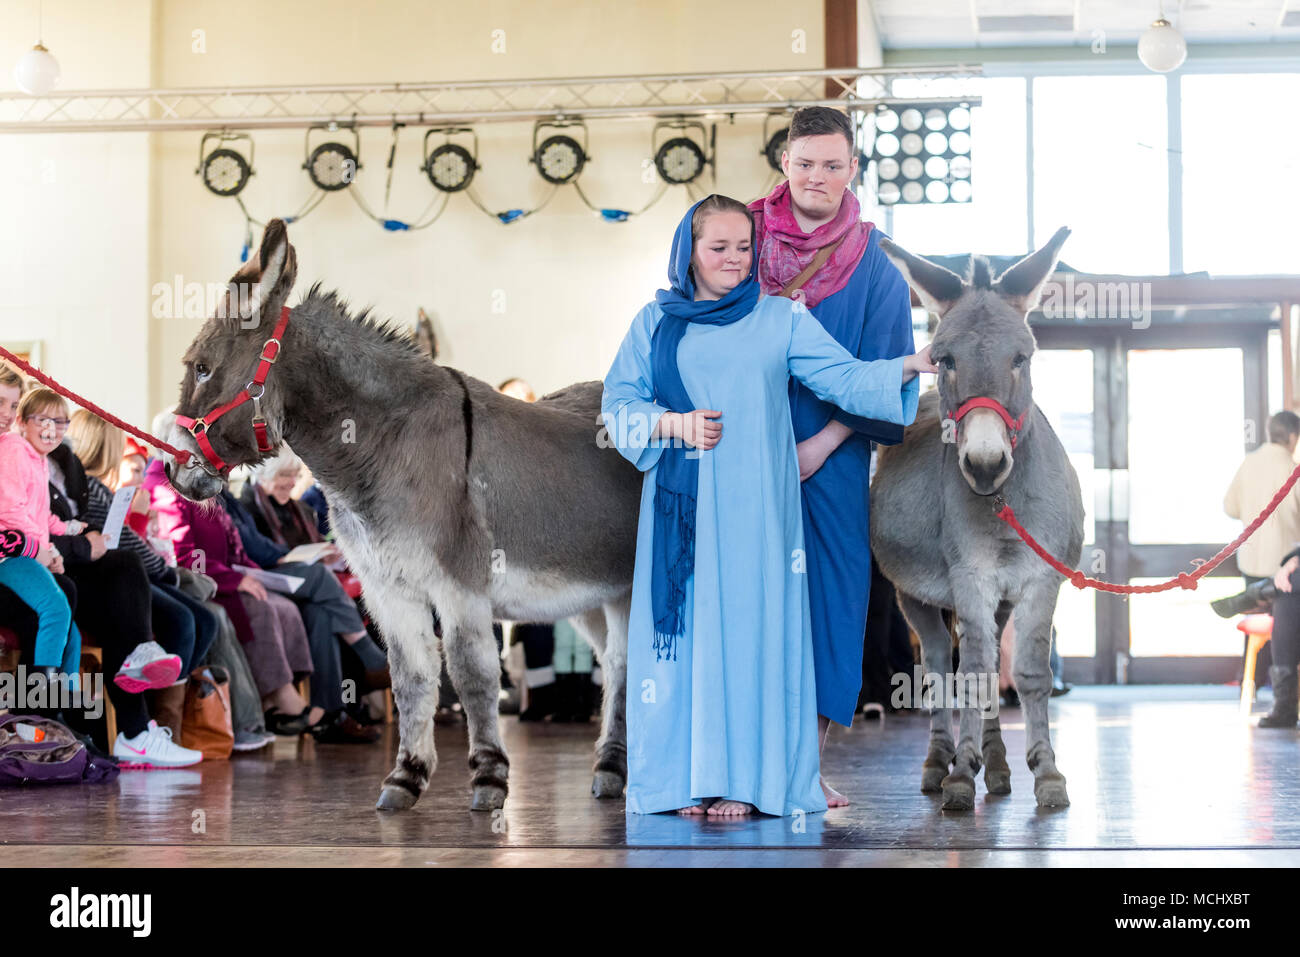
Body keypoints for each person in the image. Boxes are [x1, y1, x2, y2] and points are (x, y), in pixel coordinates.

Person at [601, 194, 933, 817]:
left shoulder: (778, 318)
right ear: (688, 252)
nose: (733, 259)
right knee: (685, 643)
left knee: (751, 637)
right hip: (683, 514)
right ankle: (686, 781)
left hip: (760, 513)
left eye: (744, 247)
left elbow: (844, 377)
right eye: (717, 247)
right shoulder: (655, 321)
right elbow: (618, 405)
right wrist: (675, 427)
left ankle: (746, 783)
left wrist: (909, 364)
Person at [748, 106, 917, 806]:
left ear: (853, 170)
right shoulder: (739, 239)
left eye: (833, 164)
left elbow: (886, 368)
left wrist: (820, 445)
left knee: (833, 601)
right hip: (736, 446)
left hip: (832, 456)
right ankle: (732, 762)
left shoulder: (875, 266)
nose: (817, 176)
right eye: (805, 161)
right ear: (784, 163)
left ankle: (801, 767)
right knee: (743, 598)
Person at [2, 388, 200, 768]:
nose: (8, 415)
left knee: (154, 595)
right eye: (36, 418)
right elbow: (15, 518)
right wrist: (53, 550)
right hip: (25, 559)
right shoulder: (15, 452)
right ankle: (50, 717)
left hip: (46, 557)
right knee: (77, 598)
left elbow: (45, 519)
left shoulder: (53, 460)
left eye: (59, 422)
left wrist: (75, 533)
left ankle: (103, 721)